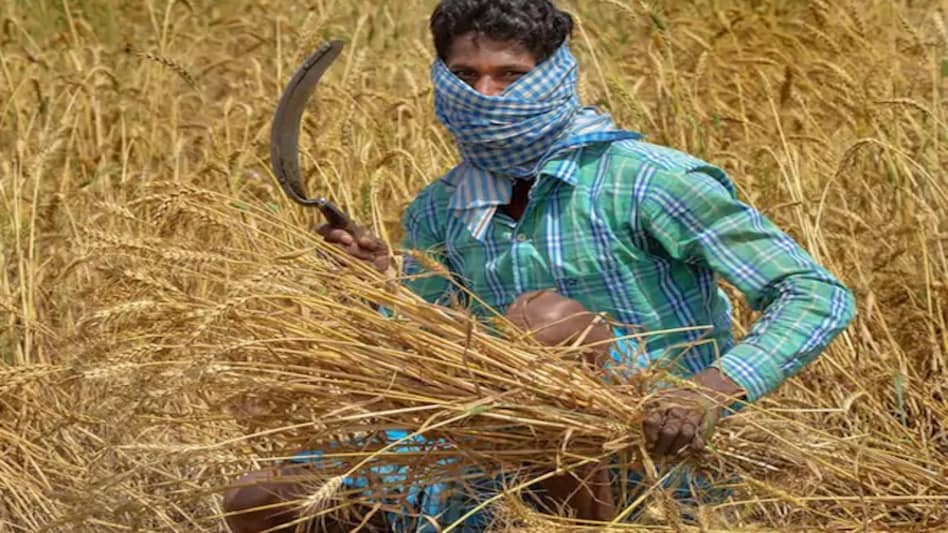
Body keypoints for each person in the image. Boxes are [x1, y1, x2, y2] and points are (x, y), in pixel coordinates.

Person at [222, 0, 856, 530]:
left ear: (553, 75)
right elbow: (438, 359)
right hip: (500, 448)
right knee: (263, 499)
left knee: (543, 321)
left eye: (509, 74)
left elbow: (814, 293)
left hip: (651, 450)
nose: (486, 95)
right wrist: (380, 290)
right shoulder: (440, 209)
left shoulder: (646, 180)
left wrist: (703, 395)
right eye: (464, 76)